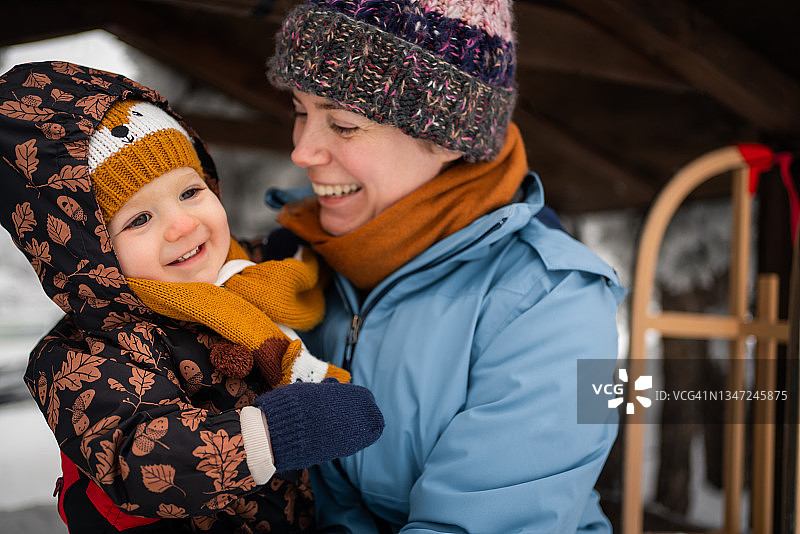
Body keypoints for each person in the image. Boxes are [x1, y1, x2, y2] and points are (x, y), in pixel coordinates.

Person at [263, 0, 627, 532]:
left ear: (445, 138)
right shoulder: (290, 263)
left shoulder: (559, 302)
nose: (302, 150)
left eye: (341, 124)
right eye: (301, 110)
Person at [0, 61, 383, 533]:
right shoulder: (79, 357)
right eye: (139, 219)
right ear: (85, 250)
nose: (184, 225)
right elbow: (136, 460)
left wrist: (306, 240)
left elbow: (296, 266)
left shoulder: (248, 276)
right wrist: (274, 435)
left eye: (190, 191)